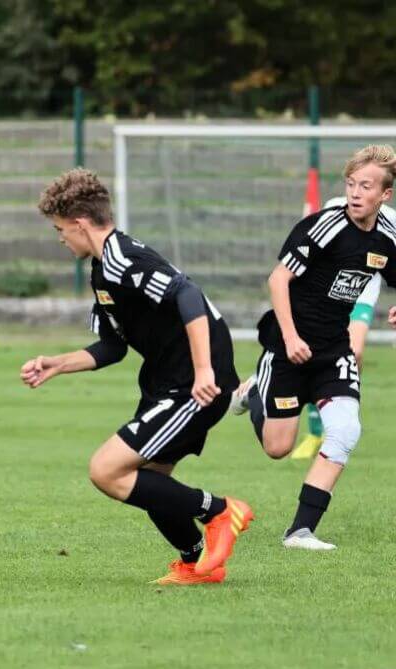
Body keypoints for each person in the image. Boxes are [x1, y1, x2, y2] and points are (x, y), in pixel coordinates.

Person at [21, 168, 252, 585]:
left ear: (79, 223)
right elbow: (113, 346)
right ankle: (196, 563)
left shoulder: (125, 257)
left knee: (106, 470)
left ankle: (220, 511)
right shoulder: (101, 271)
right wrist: (59, 363)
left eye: (59, 230)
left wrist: (203, 371)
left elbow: (188, 294)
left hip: (195, 384)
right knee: (151, 483)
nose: (59, 239)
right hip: (167, 383)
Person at [231, 145, 396, 550]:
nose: (356, 193)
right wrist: (290, 337)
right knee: (278, 448)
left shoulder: (387, 238)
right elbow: (277, 280)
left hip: (332, 352)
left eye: (366, 186)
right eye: (351, 184)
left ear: (385, 195)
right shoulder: (323, 226)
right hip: (289, 348)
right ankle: (255, 392)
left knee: (345, 431)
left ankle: (300, 531)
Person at [290, 198, 391, 460]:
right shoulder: (337, 207)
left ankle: (333, 425)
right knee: (312, 353)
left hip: (363, 291)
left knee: (354, 352)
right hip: (329, 293)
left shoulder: (391, 221)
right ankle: (260, 387)